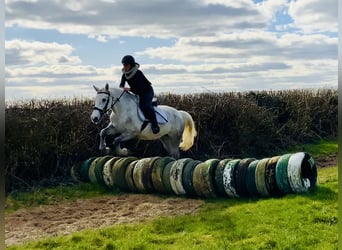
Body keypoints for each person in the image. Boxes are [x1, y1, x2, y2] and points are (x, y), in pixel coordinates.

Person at [119, 55, 160, 134]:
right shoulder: (124, 74)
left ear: (131, 65)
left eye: (126, 65)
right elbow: (121, 85)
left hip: (147, 91)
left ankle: (155, 125)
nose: (124, 67)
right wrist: (122, 89)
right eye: (123, 65)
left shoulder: (138, 73)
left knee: (144, 105)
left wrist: (129, 89)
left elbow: (140, 88)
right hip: (136, 92)